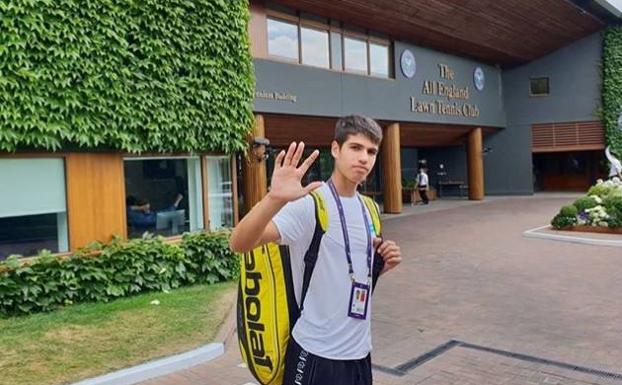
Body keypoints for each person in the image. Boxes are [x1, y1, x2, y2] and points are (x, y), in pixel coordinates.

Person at [230, 115, 402, 385]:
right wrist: (274, 199)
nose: (364, 158)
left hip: (359, 352)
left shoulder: (370, 208)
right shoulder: (310, 204)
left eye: (371, 152)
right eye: (355, 148)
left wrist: (381, 264)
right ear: (335, 149)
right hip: (315, 353)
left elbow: (347, 274)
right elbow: (238, 243)